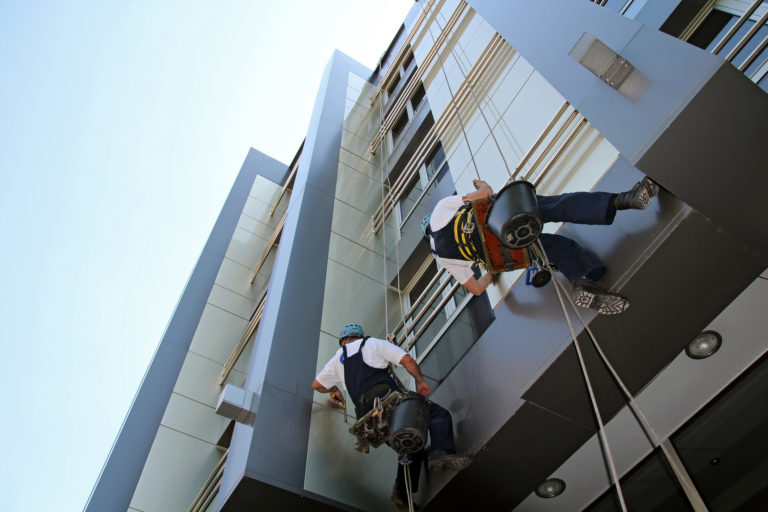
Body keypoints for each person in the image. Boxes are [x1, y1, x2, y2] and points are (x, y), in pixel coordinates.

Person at [422, 177, 659, 314]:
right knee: (557, 206)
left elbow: (475, 289)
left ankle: (582, 281)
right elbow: (485, 194)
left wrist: (490, 274)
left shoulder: (441, 257)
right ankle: (623, 200)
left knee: (554, 248)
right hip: (502, 219)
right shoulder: (440, 210)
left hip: (505, 250)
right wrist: (482, 186)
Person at [313, 323, 471, 510]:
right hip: (389, 403)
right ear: (360, 336)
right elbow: (407, 360)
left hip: (369, 421)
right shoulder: (372, 344)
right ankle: (441, 454)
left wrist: (335, 389)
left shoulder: (338, 359)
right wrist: (420, 381)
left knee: (410, 446)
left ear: (343, 342)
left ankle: (401, 494)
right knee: (437, 414)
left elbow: (317, 385)